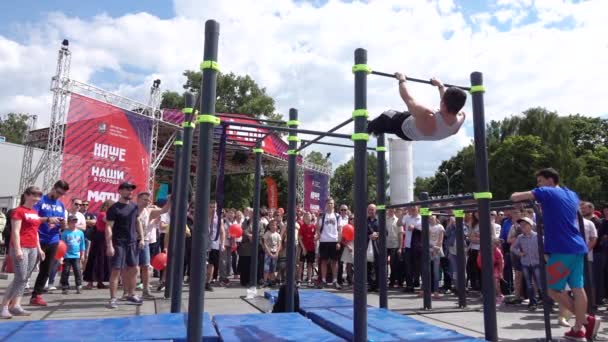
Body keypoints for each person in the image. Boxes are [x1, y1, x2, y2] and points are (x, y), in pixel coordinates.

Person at [511, 168, 599, 341]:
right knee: (577, 288)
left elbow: (515, 196)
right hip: (577, 246)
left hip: (561, 248)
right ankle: (578, 329)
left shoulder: (547, 191)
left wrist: (528, 193)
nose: (538, 185)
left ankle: (586, 321)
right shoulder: (571, 193)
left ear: (550, 180)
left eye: (540, 181)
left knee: (552, 289)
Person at [367, 73, 467, 141]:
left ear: (443, 104)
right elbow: (448, 103)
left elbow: (407, 98)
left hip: (402, 126)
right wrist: (440, 86)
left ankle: (366, 129)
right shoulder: (460, 119)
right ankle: (376, 130)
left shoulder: (428, 115)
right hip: (414, 135)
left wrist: (402, 79)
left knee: (387, 115)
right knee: (386, 126)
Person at [1, 186, 43, 319]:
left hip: (32, 248)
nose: (36, 198)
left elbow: (35, 232)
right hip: (21, 247)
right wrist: (18, 248)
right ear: (26, 195)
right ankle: (4, 307)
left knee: (25, 278)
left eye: (38, 195)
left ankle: (16, 305)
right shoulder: (18, 211)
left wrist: (39, 248)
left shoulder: (35, 212)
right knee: (19, 278)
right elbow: (15, 231)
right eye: (33, 194)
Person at [30, 180, 70, 307]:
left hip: (53, 240)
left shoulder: (61, 205)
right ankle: (14, 297)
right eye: (58, 192)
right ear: (53, 187)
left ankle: (36, 296)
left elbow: (64, 225)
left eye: (62, 194)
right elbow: (33, 218)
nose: (59, 195)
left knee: (46, 270)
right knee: (27, 269)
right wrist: (47, 219)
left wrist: (63, 224)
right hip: (38, 239)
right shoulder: (40, 201)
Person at [105, 182, 144, 309]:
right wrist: (109, 245)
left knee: (134, 269)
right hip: (118, 243)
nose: (130, 191)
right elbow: (108, 227)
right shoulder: (114, 208)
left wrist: (142, 238)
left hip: (132, 243)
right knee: (116, 271)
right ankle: (113, 299)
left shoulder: (134, 207)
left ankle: (131, 294)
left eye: (131, 189)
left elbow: (137, 222)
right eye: (127, 189)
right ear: (120, 191)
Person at [511, 216, 542, 311]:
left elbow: (544, 247)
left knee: (540, 283)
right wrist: (520, 253)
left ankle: (546, 301)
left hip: (537, 263)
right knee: (529, 284)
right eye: (521, 225)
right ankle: (533, 303)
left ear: (531, 225)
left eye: (525, 225)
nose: (522, 227)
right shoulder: (520, 238)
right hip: (525, 263)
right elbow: (513, 248)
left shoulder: (538, 236)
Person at [83, 200, 113, 289]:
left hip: (104, 238)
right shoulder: (102, 214)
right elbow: (109, 221)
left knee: (102, 260)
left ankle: (100, 281)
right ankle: (90, 282)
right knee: (95, 259)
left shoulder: (104, 214)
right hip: (99, 238)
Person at [59, 215, 86, 294]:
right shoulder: (65, 233)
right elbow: (62, 245)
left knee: (77, 270)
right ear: (68, 223)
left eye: (75, 222)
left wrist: (83, 254)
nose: (74, 224)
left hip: (76, 255)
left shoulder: (80, 233)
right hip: (67, 255)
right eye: (72, 222)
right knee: (66, 271)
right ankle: (65, 286)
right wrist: (61, 256)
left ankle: (79, 285)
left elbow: (82, 244)